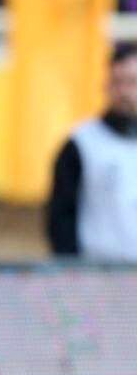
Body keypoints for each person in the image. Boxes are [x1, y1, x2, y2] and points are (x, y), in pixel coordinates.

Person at [46, 42, 137, 260]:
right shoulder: (82, 144)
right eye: (117, 82)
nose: (124, 92)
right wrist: (72, 267)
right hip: (98, 270)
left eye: (132, 82)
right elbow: (61, 216)